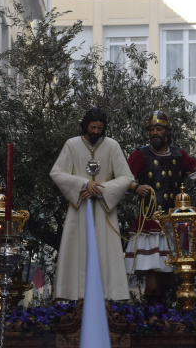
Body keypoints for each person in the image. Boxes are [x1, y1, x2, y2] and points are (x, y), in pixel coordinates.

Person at [124, 110, 196, 305]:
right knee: (153, 277)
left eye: (158, 128)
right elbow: (122, 180)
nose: (154, 133)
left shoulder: (178, 154)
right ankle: (152, 316)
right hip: (151, 221)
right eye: (151, 129)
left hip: (174, 224)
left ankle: (160, 317)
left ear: (167, 131)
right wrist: (135, 187)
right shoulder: (140, 155)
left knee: (167, 275)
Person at [50, 107, 134, 301]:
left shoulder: (112, 146)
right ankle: (73, 295)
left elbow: (126, 177)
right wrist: (84, 184)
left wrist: (101, 189)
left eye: (100, 128)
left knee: (106, 251)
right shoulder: (72, 145)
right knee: (76, 250)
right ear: (85, 126)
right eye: (93, 127)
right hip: (79, 208)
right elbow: (57, 173)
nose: (96, 132)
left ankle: (108, 296)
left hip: (105, 210)